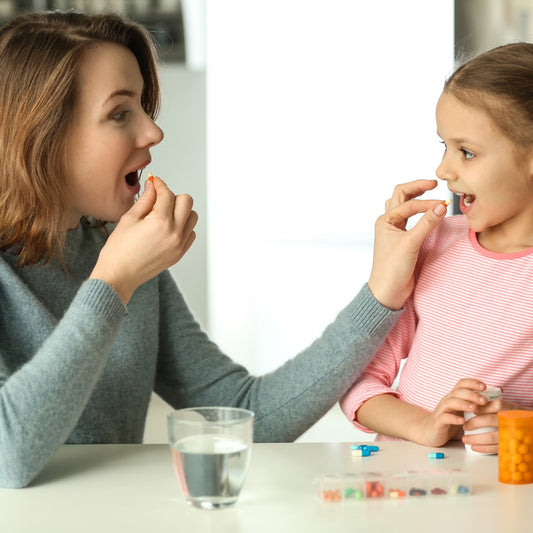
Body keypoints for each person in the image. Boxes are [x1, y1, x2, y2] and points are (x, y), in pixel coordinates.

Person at [0, 10, 447, 489]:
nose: (153, 133)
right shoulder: (117, 266)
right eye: (119, 113)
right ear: (41, 136)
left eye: (145, 109)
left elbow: (249, 414)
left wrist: (379, 295)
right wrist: (112, 284)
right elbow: (9, 456)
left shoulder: (119, 255)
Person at [341, 42, 533, 455]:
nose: (443, 170)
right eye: (443, 146)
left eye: (466, 152)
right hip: (404, 488)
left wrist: (523, 425)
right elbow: (357, 379)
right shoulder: (433, 244)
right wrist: (425, 425)